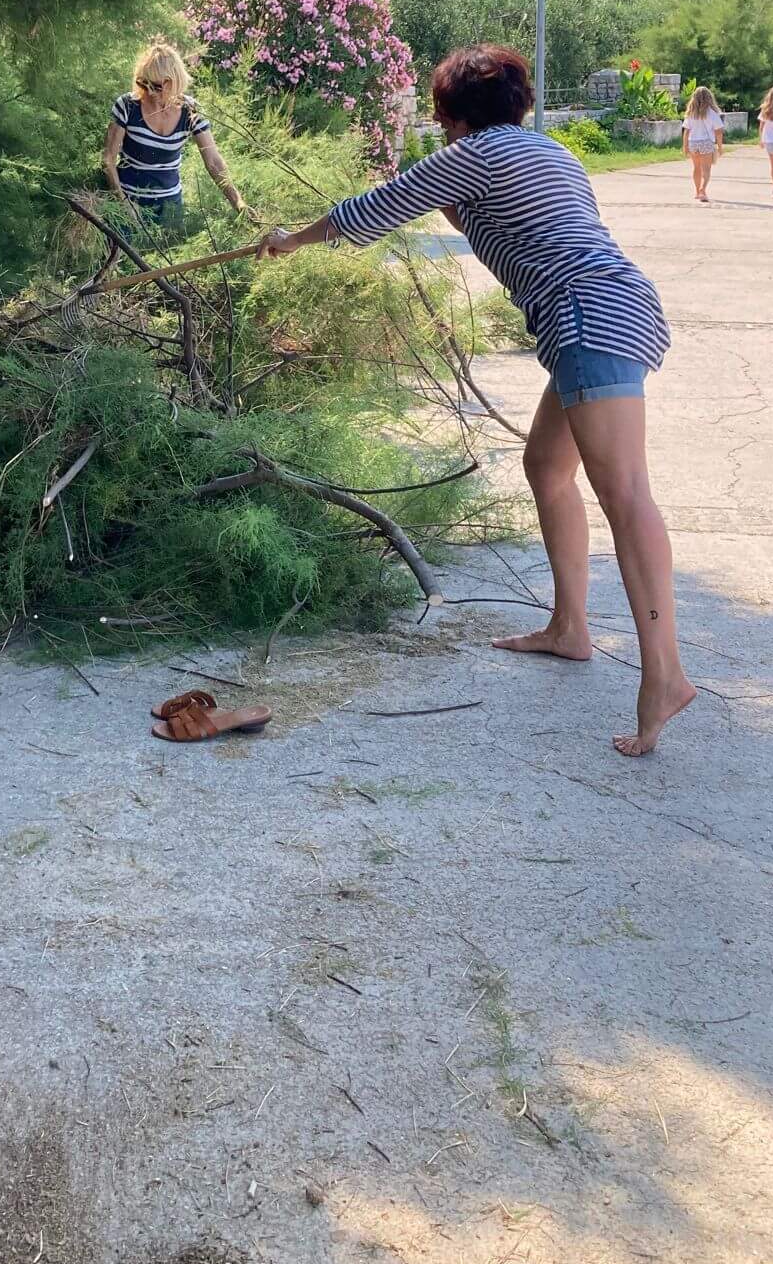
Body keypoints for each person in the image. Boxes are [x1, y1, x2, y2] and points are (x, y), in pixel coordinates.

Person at [257, 43, 695, 757]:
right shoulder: (548, 153)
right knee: (548, 467)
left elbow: (374, 210)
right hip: (611, 307)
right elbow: (502, 224)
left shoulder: (476, 153)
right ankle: (570, 629)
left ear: (451, 115)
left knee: (627, 494)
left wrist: (291, 240)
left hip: (588, 315)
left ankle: (666, 675)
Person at [103, 42, 245, 227]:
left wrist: (238, 203)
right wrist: (123, 204)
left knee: (174, 254)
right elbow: (107, 160)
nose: (149, 92)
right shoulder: (127, 105)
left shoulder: (191, 110)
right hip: (129, 203)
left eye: (156, 86)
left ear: (173, 82)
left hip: (170, 207)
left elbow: (213, 162)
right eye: (143, 84)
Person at [682, 86, 724, 202]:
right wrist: (720, 147)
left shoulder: (691, 113)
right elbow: (719, 131)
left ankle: (697, 191)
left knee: (696, 168)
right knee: (706, 169)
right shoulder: (712, 113)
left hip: (693, 143)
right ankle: (703, 190)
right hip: (706, 142)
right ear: (709, 98)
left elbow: (686, 131)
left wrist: (685, 146)